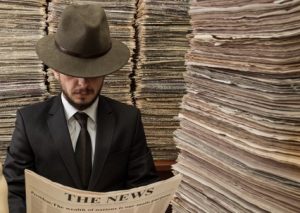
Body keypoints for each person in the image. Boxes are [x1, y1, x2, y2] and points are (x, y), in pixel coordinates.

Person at [3, 4, 159, 213]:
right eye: (72, 71)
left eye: (92, 72)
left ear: (105, 71)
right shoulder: (29, 121)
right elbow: (16, 191)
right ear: (56, 70)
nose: (83, 83)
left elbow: (143, 185)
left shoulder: (128, 120)